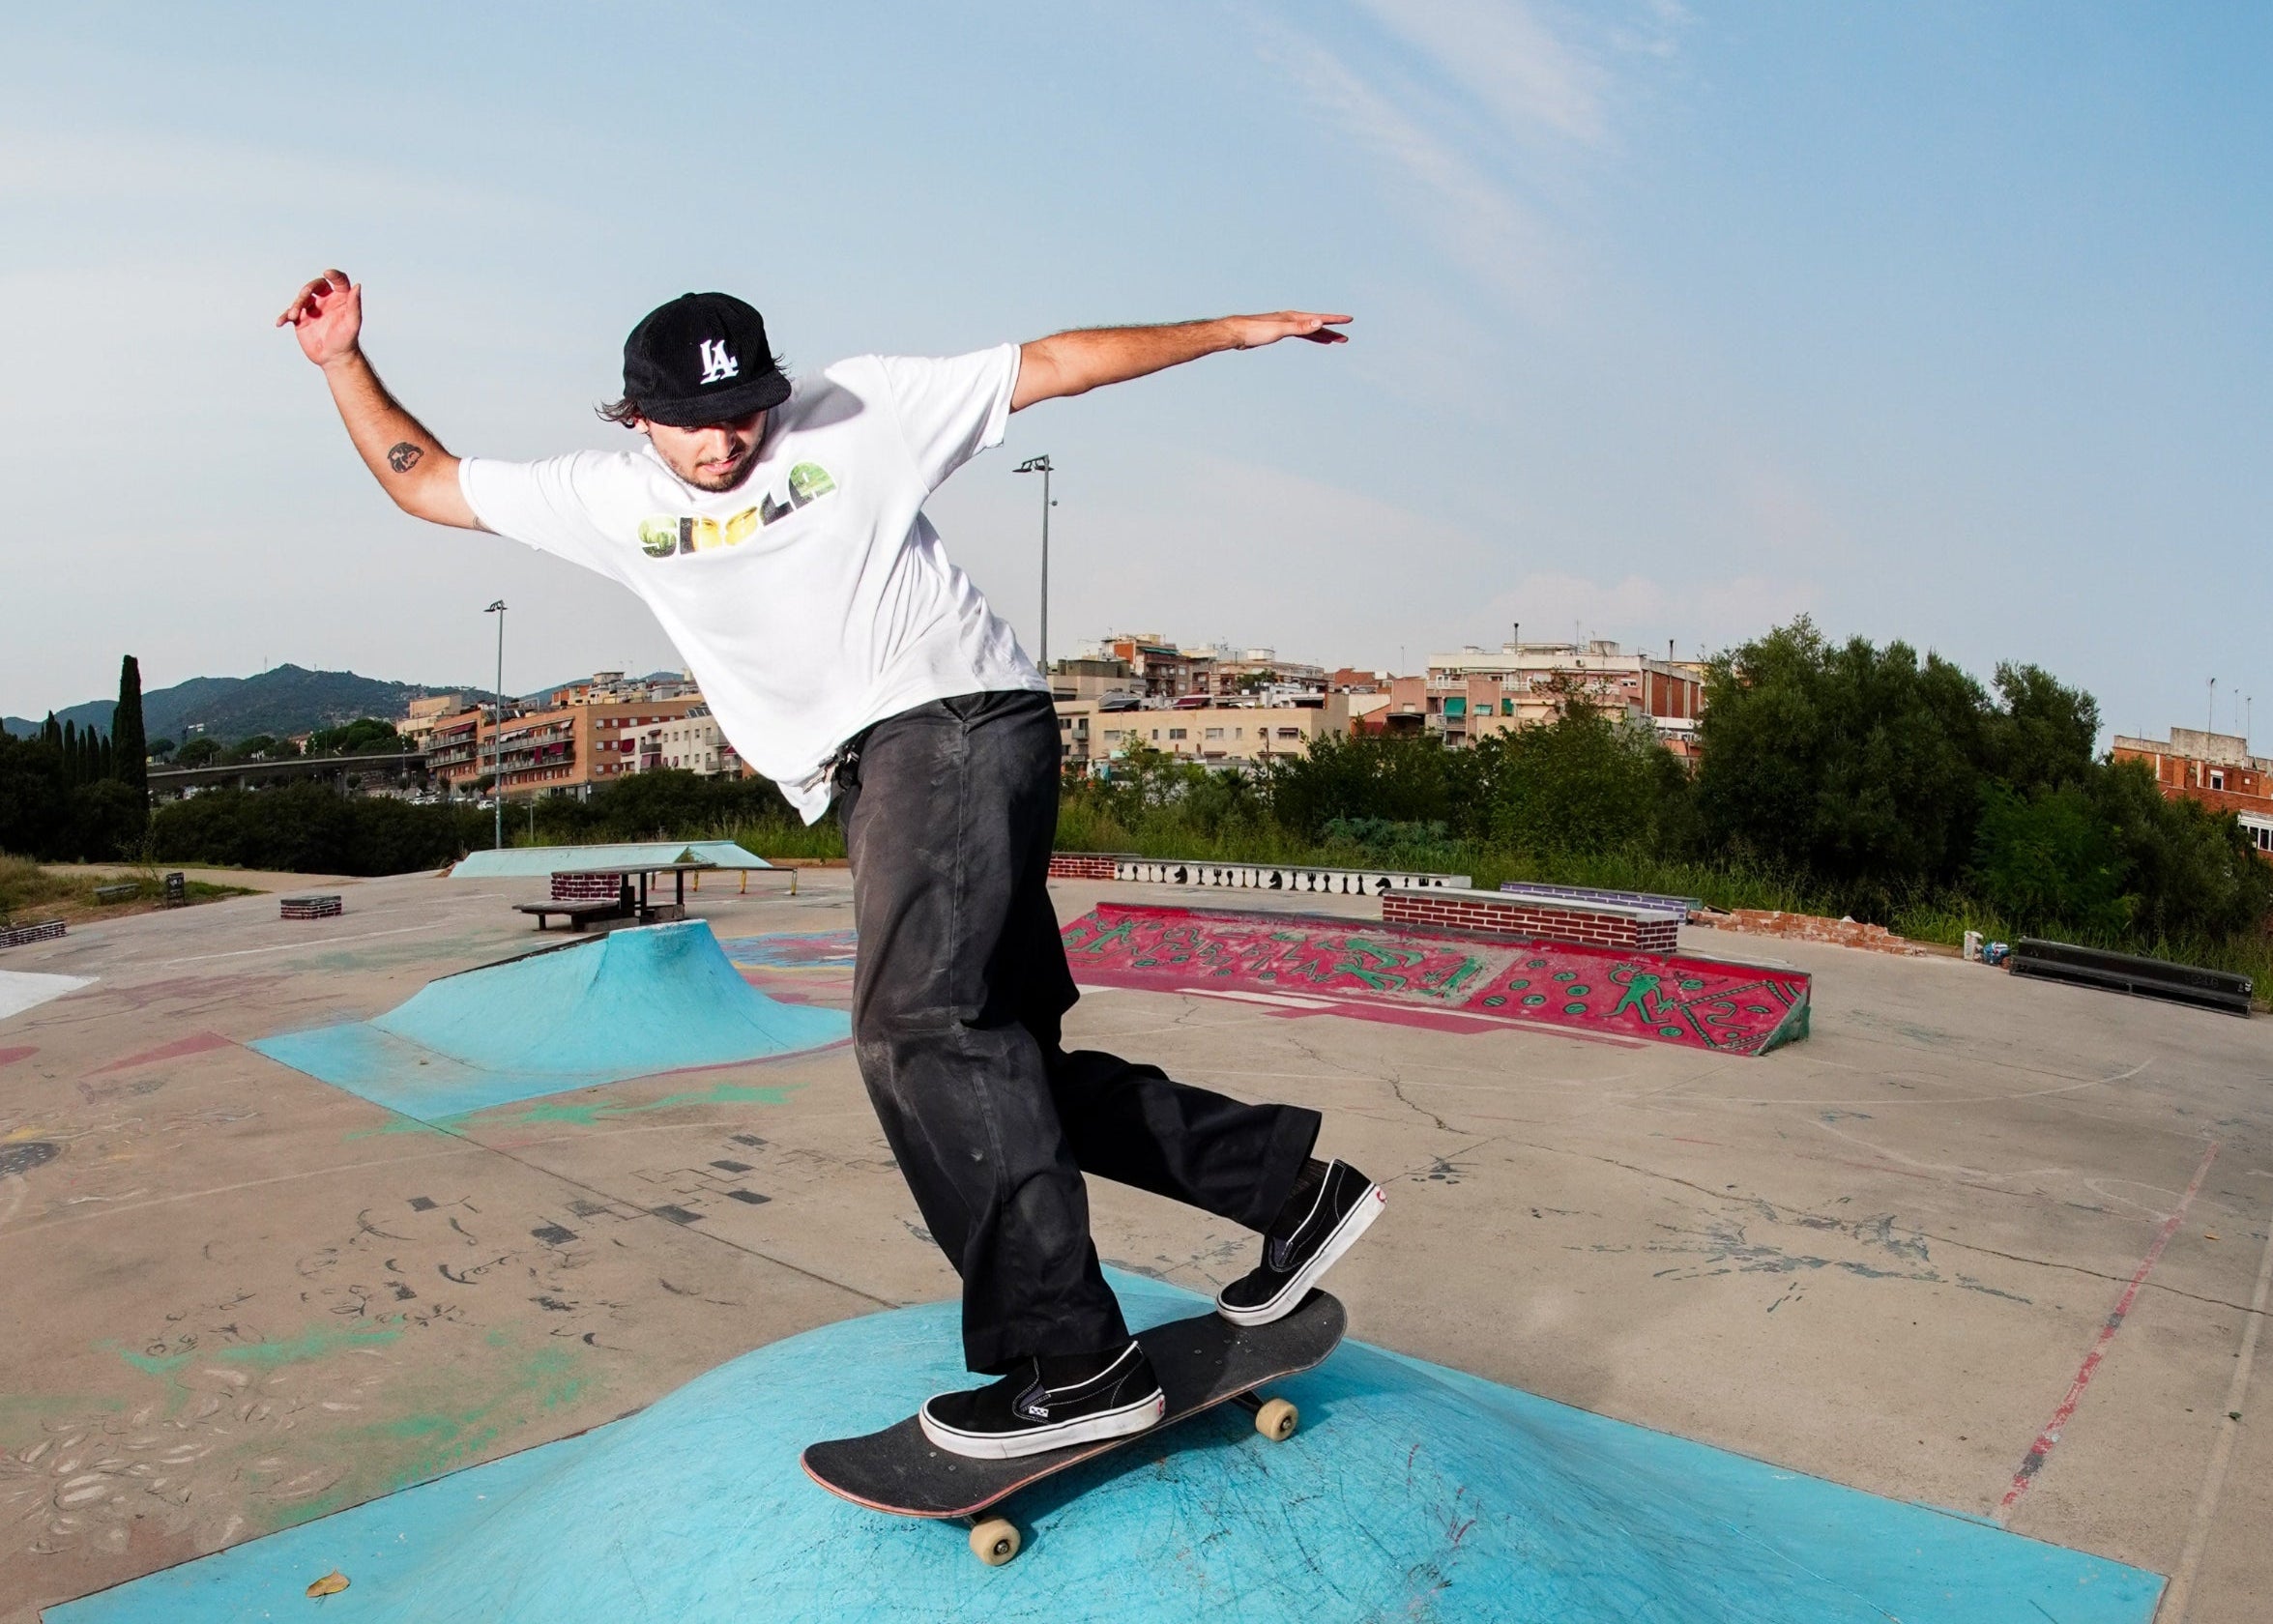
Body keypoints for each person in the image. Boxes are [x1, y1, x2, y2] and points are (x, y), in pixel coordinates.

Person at [277, 272, 1386, 1459]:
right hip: (878, 770)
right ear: (633, 415)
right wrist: (343, 362)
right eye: (694, 423)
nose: (726, 441)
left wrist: (1233, 329)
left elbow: (1054, 361)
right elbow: (428, 483)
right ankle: (1285, 1190)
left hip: (949, 721)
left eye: (745, 410)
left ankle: (1075, 1360)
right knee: (1001, 1071)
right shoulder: (598, 497)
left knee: (917, 1033)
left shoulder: (860, 410)